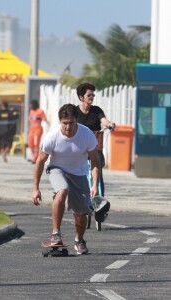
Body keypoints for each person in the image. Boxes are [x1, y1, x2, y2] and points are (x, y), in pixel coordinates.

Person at [32, 104, 100, 255]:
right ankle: (55, 233)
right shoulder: (52, 137)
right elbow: (40, 162)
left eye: (71, 123)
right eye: (64, 123)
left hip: (79, 173)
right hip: (57, 168)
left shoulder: (86, 134)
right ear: (60, 122)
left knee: (81, 215)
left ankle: (79, 240)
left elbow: (95, 161)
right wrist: (35, 188)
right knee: (62, 190)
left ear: (76, 120)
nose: (68, 127)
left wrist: (94, 185)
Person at [76, 83, 115, 196]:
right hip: (79, 150)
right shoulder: (74, 111)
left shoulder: (96, 110)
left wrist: (109, 124)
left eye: (93, 95)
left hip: (94, 148)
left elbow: (104, 120)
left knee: (98, 174)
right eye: (89, 95)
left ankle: (100, 200)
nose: (92, 97)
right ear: (81, 97)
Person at [28, 99, 47, 164]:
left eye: (31, 104)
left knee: (36, 143)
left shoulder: (40, 111)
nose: (30, 106)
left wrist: (46, 120)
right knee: (30, 144)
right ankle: (34, 156)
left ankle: (35, 158)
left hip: (38, 129)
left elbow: (44, 118)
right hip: (31, 129)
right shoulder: (31, 111)